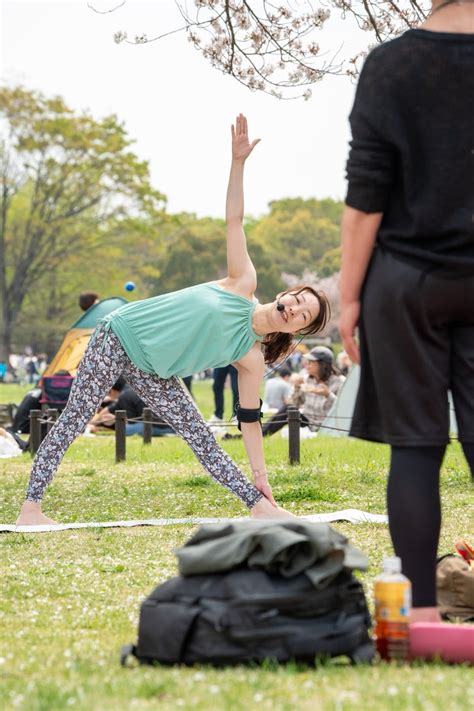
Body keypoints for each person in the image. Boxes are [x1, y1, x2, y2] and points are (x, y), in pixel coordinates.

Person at [16, 114, 330, 526]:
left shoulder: (251, 359)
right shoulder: (242, 282)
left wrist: (262, 478)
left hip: (154, 371)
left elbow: (250, 423)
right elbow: (234, 220)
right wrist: (238, 164)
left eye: (302, 316)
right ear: (285, 295)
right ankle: (31, 509)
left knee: (201, 435)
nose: (294, 309)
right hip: (118, 335)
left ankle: (259, 506)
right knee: (76, 416)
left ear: (296, 330)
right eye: (297, 300)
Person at [339, 1, 474, 624]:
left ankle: (418, 618)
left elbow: (366, 194)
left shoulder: (391, 63)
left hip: (406, 279)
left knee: (416, 449)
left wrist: (347, 296)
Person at [262, 347, 344, 436]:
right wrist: (297, 387)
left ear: (322, 364)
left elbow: (342, 408)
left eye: (311, 362)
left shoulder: (339, 381)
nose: (307, 365)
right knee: (289, 409)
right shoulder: (306, 379)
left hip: (326, 424)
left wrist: (328, 394)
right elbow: (294, 403)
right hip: (308, 421)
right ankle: (261, 433)